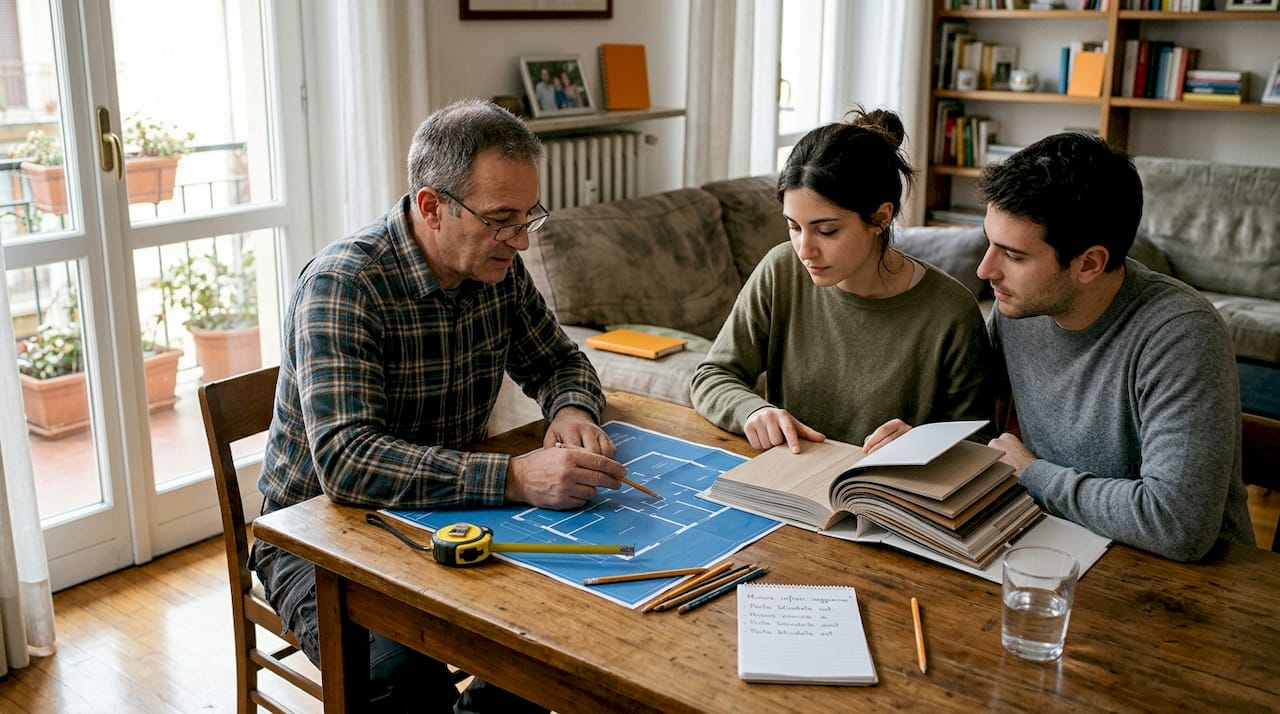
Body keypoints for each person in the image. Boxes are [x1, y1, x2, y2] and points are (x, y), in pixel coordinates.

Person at [250, 98, 628, 713]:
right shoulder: (344, 284)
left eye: (529, 215)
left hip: (447, 512)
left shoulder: (496, 265)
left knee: (553, 650)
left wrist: (571, 412)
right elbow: (347, 464)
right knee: (408, 686)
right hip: (315, 536)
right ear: (432, 207)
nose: (522, 239)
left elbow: (560, 361)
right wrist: (513, 476)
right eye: (503, 218)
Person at [972, 131, 1253, 562]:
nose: (985, 268)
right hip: (1063, 548)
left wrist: (1034, 475)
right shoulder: (1018, 310)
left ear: (1089, 263)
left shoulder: (1180, 335)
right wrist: (920, 439)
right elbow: (980, 426)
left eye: (1013, 255)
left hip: (1194, 586)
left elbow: (1177, 524)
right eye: (989, 242)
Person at [690, 108, 993, 454]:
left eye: (827, 230)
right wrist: (753, 410)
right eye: (793, 226)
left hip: (887, 498)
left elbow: (980, 441)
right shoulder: (781, 271)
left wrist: (918, 444)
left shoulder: (951, 311)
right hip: (789, 486)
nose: (805, 250)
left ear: (880, 217)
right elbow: (712, 376)